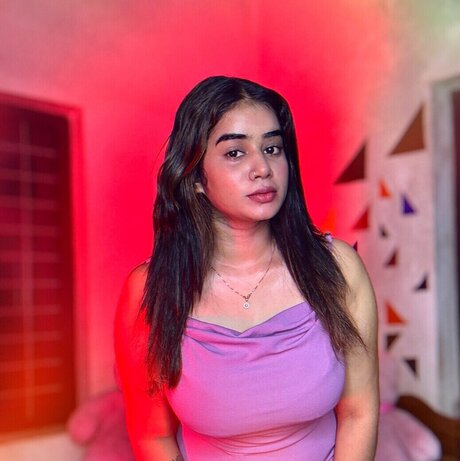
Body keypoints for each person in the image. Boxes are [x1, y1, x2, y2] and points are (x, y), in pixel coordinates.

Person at [114, 76, 379, 460]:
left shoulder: (339, 268)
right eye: (235, 153)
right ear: (195, 177)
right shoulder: (149, 290)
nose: (263, 168)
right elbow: (152, 436)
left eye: (272, 148)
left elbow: (359, 411)